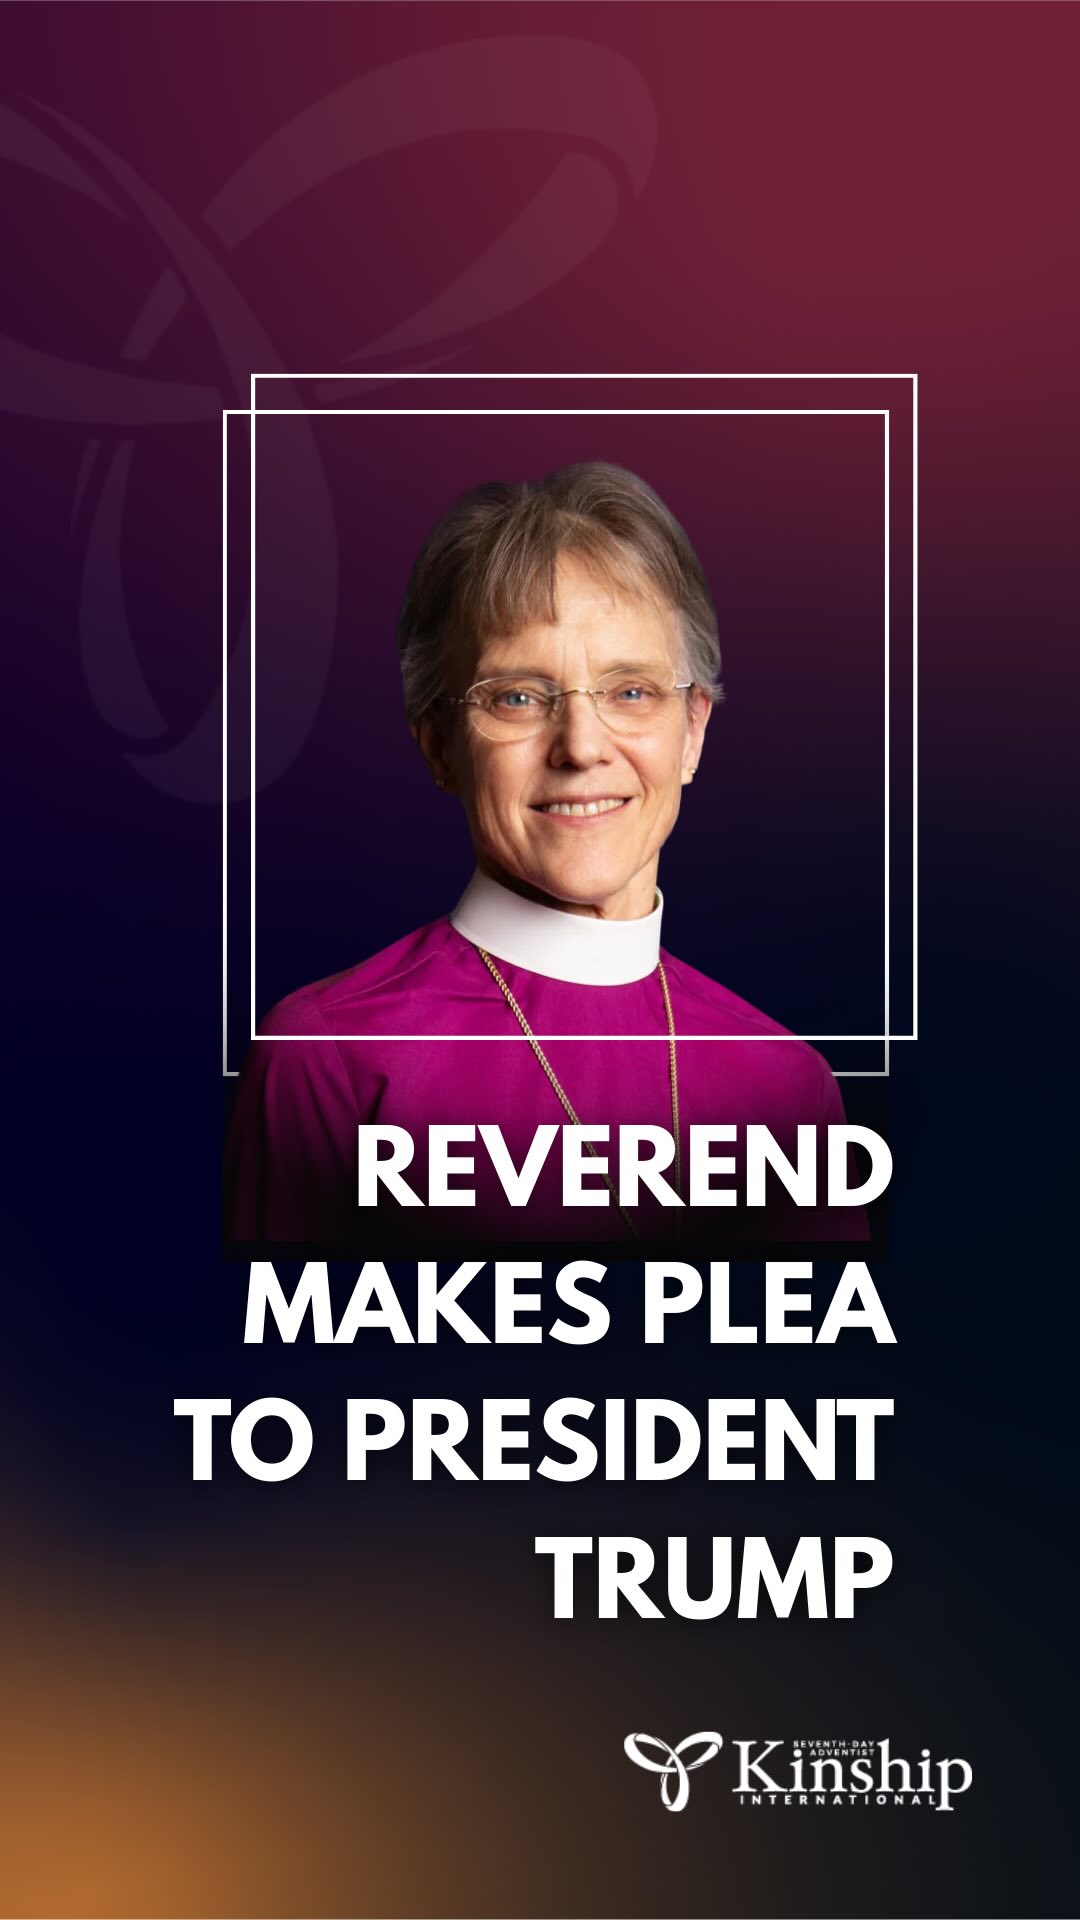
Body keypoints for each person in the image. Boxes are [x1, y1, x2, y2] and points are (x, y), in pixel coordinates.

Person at [225, 462, 860, 1243]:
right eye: (518, 697)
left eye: (631, 691)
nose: (582, 747)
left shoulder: (790, 1085)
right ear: (439, 745)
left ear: (693, 731)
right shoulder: (330, 1056)